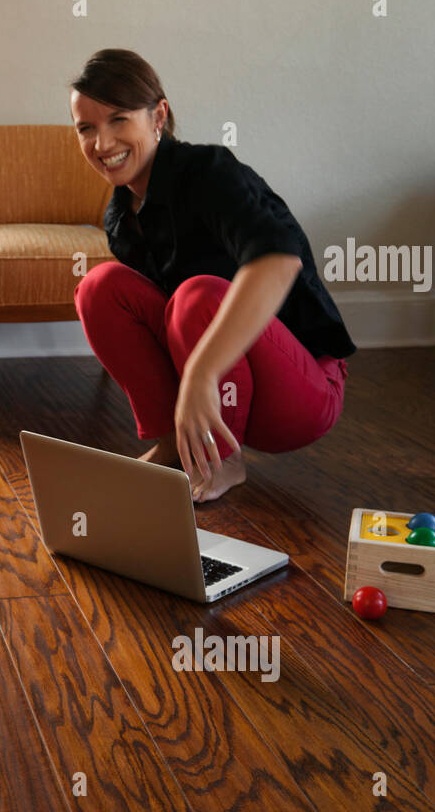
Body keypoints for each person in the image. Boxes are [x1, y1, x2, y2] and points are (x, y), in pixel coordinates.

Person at [69, 49, 356, 501]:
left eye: (119, 120)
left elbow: (280, 261)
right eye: (86, 128)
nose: (102, 144)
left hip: (303, 389)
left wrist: (201, 373)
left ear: (158, 116)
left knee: (197, 295)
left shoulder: (209, 172)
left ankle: (221, 459)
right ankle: (174, 445)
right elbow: (158, 330)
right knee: (98, 288)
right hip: (223, 391)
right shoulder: (122, 218)